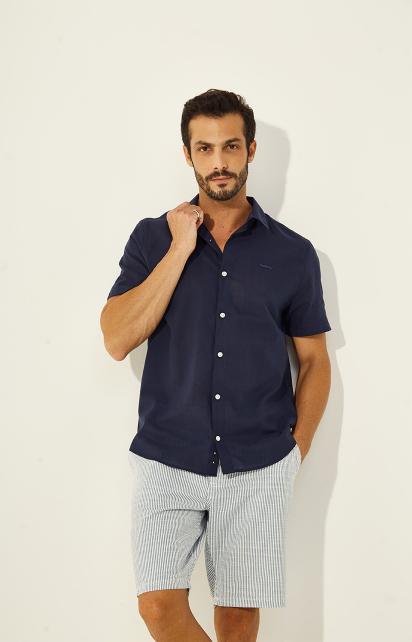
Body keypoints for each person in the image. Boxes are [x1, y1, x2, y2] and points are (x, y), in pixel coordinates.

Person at [100, 88, 332, 642]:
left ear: (250, 149)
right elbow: (117, 338)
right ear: (188, 154)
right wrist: (181, 248)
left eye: (230, 146)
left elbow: (314, 360)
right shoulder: (153, 237)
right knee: (158, 607)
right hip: (167, 456)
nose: (219, 162)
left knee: (238, 620)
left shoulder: (294, 254)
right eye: (204, 149)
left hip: (258, 463)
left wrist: (293, 453)